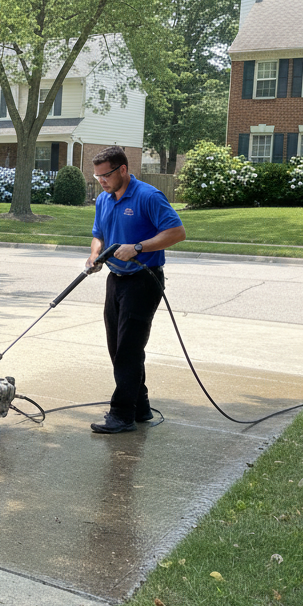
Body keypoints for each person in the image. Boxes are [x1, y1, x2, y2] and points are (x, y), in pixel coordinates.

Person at [85, 146, 185, 434]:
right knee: (117, 348)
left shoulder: (148, 196)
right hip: (116, 279)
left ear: (123, 170)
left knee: (129, 348)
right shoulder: (104, 200)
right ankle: (140, 406)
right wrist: (95, 256)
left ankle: (122, 414)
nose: (101, 181)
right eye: (97, 175)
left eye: (106, 175)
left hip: (144, 279)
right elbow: (98, 236)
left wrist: (139, 247)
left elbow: (177, 232)